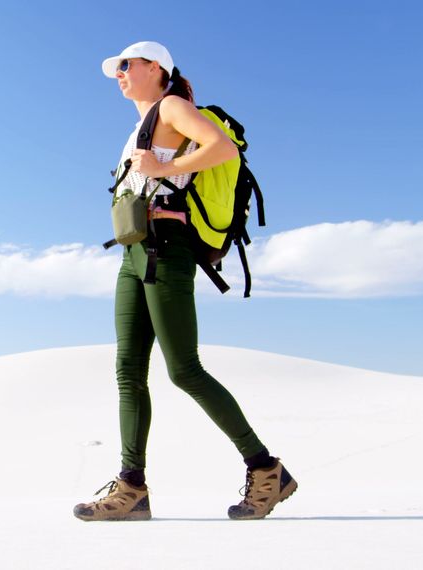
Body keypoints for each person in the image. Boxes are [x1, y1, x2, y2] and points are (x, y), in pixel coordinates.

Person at [73, 41, 297, 522]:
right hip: (133, 253)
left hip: (164, 250)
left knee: (183, 369)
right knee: (128, 371)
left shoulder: (173, 107)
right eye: (117, 69)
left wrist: (167, 167)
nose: (120, 74)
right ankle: (131, 487)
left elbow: (223, 147)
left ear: (156, 67)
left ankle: (266, 469)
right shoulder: (139, 125)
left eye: (127, 66)